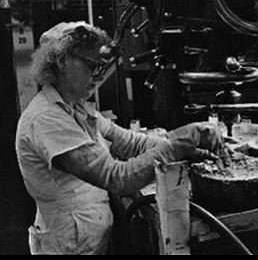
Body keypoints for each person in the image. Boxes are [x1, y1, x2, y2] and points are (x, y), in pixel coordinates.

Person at [15, 21, 224, 255]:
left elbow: (131, 142)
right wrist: (175, 149)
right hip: (67, 245)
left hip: (86, 236)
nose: (98, 76)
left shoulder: (76, 108)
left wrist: (189, 134)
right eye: (92, 66)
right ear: (62, 61)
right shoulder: (47, 120)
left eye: (102, 68)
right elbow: (116, 177)